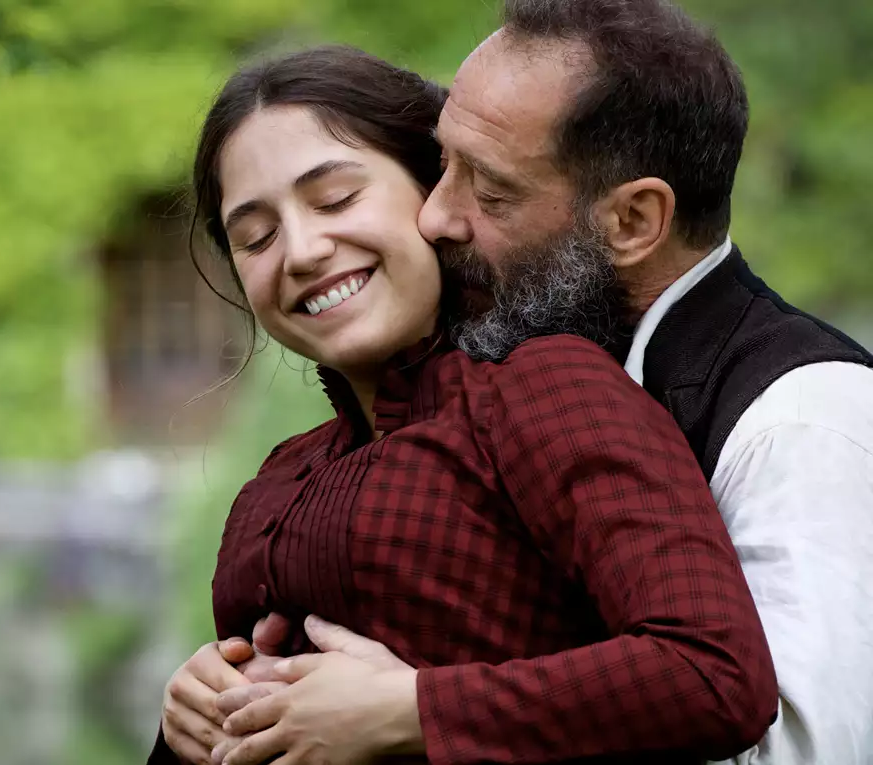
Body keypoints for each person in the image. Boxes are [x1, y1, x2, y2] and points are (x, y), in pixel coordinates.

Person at [201, 2, 873, 764]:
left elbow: (796, 746)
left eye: (488, 191)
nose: (436, 216)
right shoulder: (496, 381)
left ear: (631, 222)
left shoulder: (802, 416)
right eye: (441, 163)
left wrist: (419, 707)